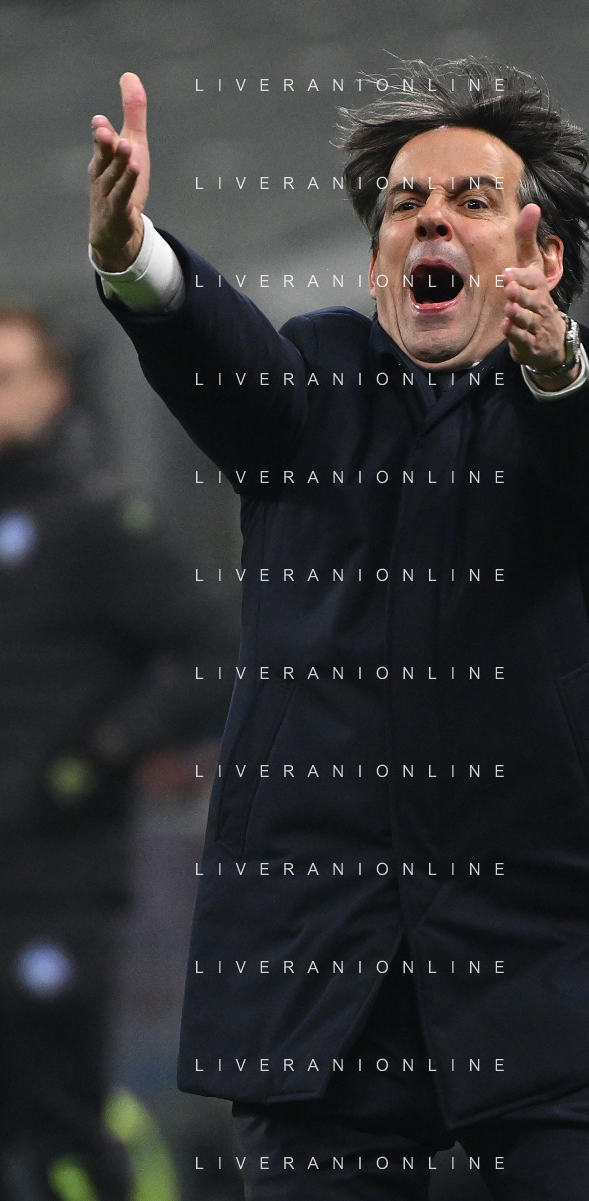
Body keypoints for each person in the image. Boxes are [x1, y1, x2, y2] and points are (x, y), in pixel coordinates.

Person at [87, 58, 589, 1200]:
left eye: (472, 199)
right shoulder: (314, 378)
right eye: (404, 204)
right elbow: (219, 349)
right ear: (379, 267)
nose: (429, 218)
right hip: (319, 964)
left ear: (542, 256)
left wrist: (555, 361)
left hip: (541, 951)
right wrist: (135, 258)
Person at [0, 307, 236, 1200]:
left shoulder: (93, 522)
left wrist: (103, 750)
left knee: (57, 1115)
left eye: (7, 377)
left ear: (55, 391)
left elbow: (215, 650)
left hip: (55, 881)